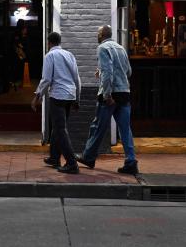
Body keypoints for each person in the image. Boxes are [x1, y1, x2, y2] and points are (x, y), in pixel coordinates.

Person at [76, 25, 139, 175]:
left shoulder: (103, 48)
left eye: (98, 33)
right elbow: (128, 71)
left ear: (102, 35)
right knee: (125, 130)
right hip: (124, 92)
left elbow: (108, 72)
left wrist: (107, 95)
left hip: (110, 94)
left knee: (98, 126)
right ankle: (131, 161)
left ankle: (89, 157)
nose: (97, 35)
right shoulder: (121, 48)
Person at [31, 31, 81, 174]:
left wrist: (37, 96)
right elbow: (77, 78)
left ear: (49, 43)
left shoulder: (50, 56)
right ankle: (54, 157)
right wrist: (77, 98)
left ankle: (72, 163)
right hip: (70, 95)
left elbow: (46, 78)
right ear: (59, 42)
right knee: (57, 127)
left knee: (60, 129)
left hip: (58, 95)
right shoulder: (69, 55)